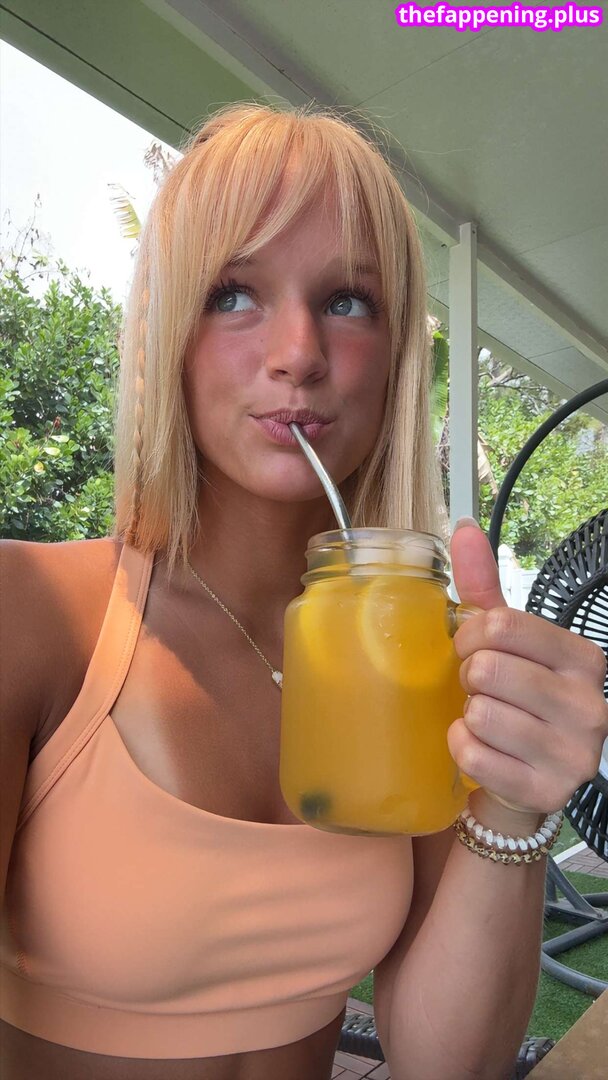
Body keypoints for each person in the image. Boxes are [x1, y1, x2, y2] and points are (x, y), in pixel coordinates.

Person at [1, 102, 606, 1080]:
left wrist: (510, 798)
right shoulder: (28, 614)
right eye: (234, 293)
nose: (297, 353)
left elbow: (445, 1062)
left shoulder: (420, 654)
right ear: (166, 333)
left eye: (347, 301)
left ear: (396, 355)